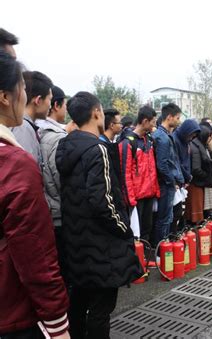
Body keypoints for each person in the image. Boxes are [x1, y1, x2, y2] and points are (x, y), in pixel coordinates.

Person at [56, 91, 142, 337]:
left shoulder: (65, 145)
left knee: (79, 302)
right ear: (96, 113)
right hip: (102, 245)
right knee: (101, 309)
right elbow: (102, 200)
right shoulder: (98, 149)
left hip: (76, 240)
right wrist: (123, 227)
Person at [0, 50, 70, 339]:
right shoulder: (13, 161)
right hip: (12, 313)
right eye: (23, 87)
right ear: (6, 96)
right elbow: (35, 252)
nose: (25, 94)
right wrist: (57, 322)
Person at [36, 85, 68, 276]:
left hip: (48, 210)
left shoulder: (37, 131)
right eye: (64, 105)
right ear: (56, 105)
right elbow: (60, 178)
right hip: (58, 213)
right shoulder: (56, 138)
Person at [119, 106, 160, 242]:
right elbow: (125, 173)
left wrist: (156, 190)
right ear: (144, 121)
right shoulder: (128, 142)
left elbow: (153, 168)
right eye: (153, 122)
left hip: (149, 193)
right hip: (136, 197)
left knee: (147, 229)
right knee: (135, 232)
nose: (155, 125)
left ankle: (147, 259)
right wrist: (130, 200)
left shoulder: (149, 140)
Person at [152, 103, 183, 244]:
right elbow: (162, 165)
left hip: (167, 183)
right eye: (177, 118)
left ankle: (162, 247)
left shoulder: (164, 135)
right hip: (165, 184)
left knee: (167, 217)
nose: (178, 121)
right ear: (169, 117)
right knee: (164, 218)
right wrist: (172, 181)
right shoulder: (162, 138)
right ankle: (160, 250)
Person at [11, 71, 53, 165]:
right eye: (50, 99)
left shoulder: (20, 125)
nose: (50, 106)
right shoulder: (23, 128)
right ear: (38, 100)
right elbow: (23, 170)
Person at [187, 125, 212, 223]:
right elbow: (196, 169)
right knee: (195, 211)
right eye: (209, 136)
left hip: (199, 182)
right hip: (196, 183)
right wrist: (207, 176)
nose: (210, 138)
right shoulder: (196, 147)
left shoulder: (198, 145)